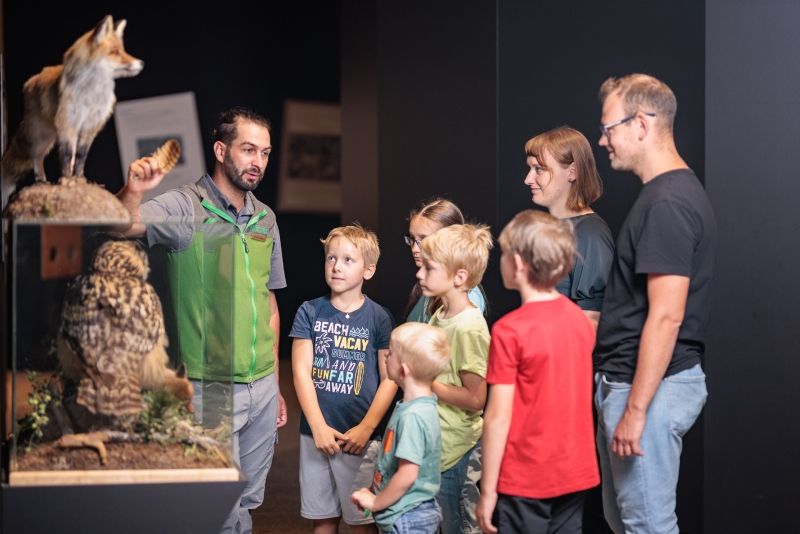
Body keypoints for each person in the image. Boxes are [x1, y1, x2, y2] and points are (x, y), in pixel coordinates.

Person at [118, 107, 287, 534]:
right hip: (210, 386)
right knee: (216, 505)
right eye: (249, 150)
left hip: (263, 385)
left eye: (265, 153)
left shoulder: (266, 218)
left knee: (247, 500)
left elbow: (268, 302)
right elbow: (123, 226)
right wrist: (134, 190)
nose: (258, 162)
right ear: (220, 149)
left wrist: (276, 383)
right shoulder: (183, 206)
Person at [594, 73, 717, 533]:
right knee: (629, 522)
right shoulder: (664, 195)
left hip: (648, 390)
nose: (602, 140)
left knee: (647, 527)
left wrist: (637, 411)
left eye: (608, 128)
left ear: (641, 124)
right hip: (635, 386)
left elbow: (667, 316)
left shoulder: (667, 202)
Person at [476, 210, 599, 534]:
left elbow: (497, 417)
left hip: (527, 475)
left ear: (518, 263)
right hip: (576, 470)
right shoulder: (581, 322)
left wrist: (488, 490)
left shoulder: (509, 331)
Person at [290, 224, 397, 534]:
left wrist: (366, 428)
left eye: (348, 260)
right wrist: (318, 427)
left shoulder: (379, 318)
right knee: (322, 519)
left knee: (362, 520)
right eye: (331, 258)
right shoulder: (309, 311)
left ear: (369, 270)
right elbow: (300, 372)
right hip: (316, 435)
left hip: (359, 439)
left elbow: (390, 378)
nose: (336, 266)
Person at [415, 223, 493, 534]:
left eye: (429, 268)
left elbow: (476, 398)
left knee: (458, 525)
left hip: (457, 452)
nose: (420, 275)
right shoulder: (440, 313)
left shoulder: (470, 327)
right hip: (437, 444)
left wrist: (426, 383)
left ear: (459, 277)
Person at [351, 322, 451, 533]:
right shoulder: (418, 406)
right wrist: (374, 490)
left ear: (404, 370)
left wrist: (376, 502)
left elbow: (407, 475)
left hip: (407, 517)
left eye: (390, 353)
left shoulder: (413, 416)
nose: (385, 356)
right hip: (406, 511)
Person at [523, 126, 614, 329]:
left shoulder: (590, 234)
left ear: (572, 172)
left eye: (539, 169)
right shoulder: (551, 229)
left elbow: (591, 321)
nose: (528, 179)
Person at [403, 199, 487, 322]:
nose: (415, 248)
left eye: (424, 240)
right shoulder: (431, 283)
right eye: (412, 239)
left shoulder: (467, 297)